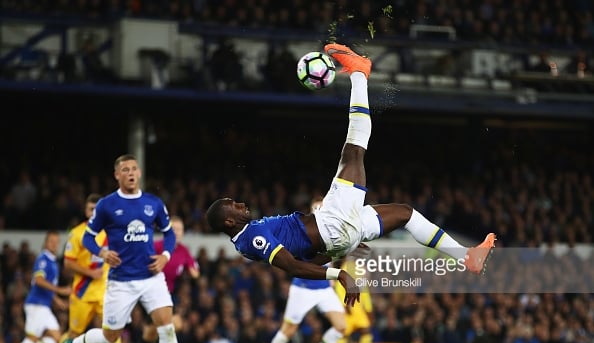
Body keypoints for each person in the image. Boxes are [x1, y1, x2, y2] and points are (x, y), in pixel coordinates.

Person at [206, 44, 496, 308]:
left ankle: (466, 258)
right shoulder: (252, 237)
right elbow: (292, 266)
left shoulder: (250, 237)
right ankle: (359, 73)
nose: (241, 203)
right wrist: (340, 274)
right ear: (229, 221)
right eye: (234, 204)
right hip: (334, 222)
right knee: (354, 150)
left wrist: (342, 250)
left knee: (406, 214)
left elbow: (306, 258)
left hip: (340, 234)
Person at [55, 154, 185, 343]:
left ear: (139, 173)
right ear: (117, 175)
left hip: (151, 277)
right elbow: (87, 237)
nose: (131, 173)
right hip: (121, 280)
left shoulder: (153, 203)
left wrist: (166, 255)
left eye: (134, 168)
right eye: (125, 169)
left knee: (166, 327)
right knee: (109, 337)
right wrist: (102, 252)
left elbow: (168, 234)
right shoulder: (106, 205)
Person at [260, 197, 347, 343]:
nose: (320, 210)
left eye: (322, 207)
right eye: (316, 208)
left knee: (341, 326)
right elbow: (304, 263)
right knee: (287, 331)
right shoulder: (304, 232)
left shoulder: (333, 230)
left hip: (324, 289)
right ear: (311, 211)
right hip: (303, 289)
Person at [48, 193, 124, 343]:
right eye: (91, 209)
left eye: (97, 209)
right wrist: (90, 273)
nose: (94, 213)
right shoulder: (77, 233)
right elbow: (67, 264)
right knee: (74, 332)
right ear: (85, 211)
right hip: (82, 293)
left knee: (114, 332)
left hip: (107, 292)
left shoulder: (111, 231)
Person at [123, 215, 199, 343]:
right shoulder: (158, 246)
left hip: (167, 295)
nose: (178, 233)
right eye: (174, 229)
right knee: (174, 325)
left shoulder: (184, 251)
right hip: (149, 293)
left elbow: (194, 270)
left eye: (180, 230)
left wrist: (194, 272)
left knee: (150, 334)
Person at [5, 230, 71, 343]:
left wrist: (57, 300)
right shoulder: (43, 259)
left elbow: (46, 286)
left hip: (44, 306)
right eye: (51, 241)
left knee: (55, 339)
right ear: (46, 243)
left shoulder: (52, 261)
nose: (54, 244)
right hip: (36, 305)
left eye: (56, 242)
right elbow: (39, 280)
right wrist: (60, 290)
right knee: (32, 339)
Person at [329, 257, 377, 343]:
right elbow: (340, 287)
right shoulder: (345, 267)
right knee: (342, 337)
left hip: (359, 308)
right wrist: (344, 305)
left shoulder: (359, 268)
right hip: (349, 307)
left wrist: (368, 309)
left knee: (366, 334)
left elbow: (364, 289)